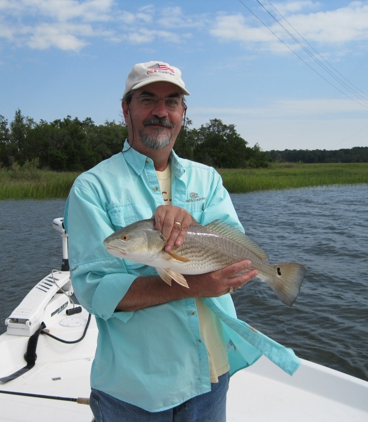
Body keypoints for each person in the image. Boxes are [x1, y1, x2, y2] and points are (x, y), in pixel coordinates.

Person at [64, 61, 297, 421]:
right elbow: (94, 290)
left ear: (182, 113)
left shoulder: (208, 179)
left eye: (172, 102)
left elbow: (234, 263)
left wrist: (206, 245)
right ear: (126, 108)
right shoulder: (92, 187)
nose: (161, 111)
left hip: (212, 375)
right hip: (136, 389)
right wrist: (194, 285)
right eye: (147, 100)